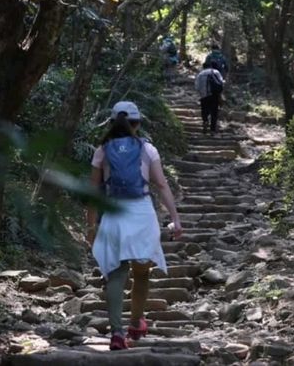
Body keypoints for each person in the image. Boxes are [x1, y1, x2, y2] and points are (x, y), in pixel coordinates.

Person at [86, 100, 182, 351]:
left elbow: (93, 190)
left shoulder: (102, 150)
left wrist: (91, 225)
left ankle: (117, 334)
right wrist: (175, 217)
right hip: (141, 213)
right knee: (142, 272)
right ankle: (136, 321)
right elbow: (161, 185)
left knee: (116, 274)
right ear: (137, 124)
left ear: (111, 122)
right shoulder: (147, 149)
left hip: (115, 214)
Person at [194, 60, 225, 135]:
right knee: (214, 112)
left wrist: (201, 92)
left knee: (204, 110)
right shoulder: (215, 72)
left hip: (204, 95)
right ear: (210, 66)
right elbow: (221, 82)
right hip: (214, 95)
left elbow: (197, 87)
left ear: (203, 67)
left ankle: (205, 121)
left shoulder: (200, 74)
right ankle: (212, 130)